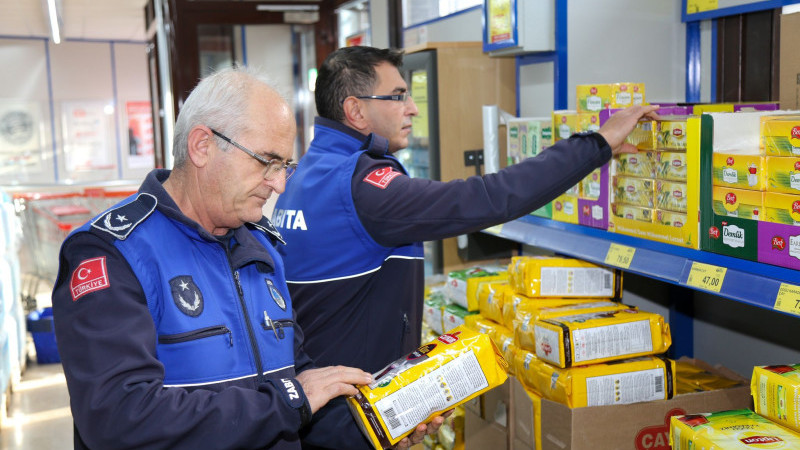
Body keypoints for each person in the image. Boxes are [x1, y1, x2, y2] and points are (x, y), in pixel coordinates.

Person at [51, 66, 440, 449]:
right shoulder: (114, 253)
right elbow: (118, 417)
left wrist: (378, 427)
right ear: (202, 146)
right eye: (266, 161)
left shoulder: (261, 248)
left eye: (285, 166)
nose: (279, 184)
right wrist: (289, 399)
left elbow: (297, 401)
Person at [272, 46, 660, 375]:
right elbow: (488, 197)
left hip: (323, 387)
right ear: (355, 111)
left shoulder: (308, 172)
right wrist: (597, 145)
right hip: (350, 409)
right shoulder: (361, 187)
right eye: (398, 96)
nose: (412, 109)